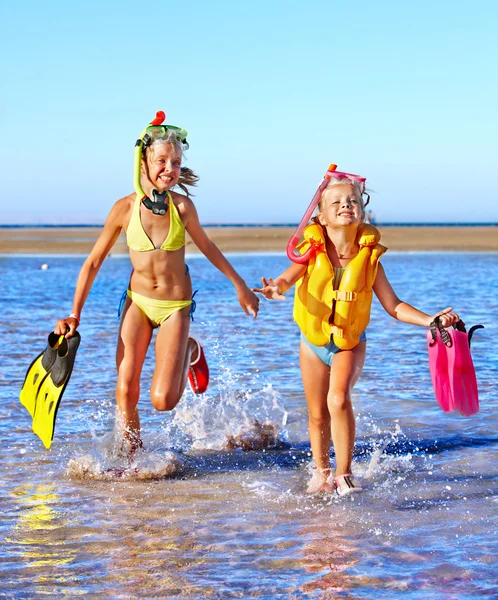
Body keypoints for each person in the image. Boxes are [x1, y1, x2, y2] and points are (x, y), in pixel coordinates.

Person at [54, 114, 260, 453]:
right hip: (138, 303)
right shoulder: (124, 208)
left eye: (176, 162)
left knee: (163, 400)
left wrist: (240, 286)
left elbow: (208, 247)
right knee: (126, 388)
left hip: (174, 307)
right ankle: (132, 460)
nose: (170, 167)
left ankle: (190, 351)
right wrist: (75, 314)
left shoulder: (182, 207)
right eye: (161, 160)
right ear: (143, 162)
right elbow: (93, 262)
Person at [253, 171, 458, 496]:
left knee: (338, 399)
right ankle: (321, 473)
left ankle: (345, 473)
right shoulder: (311, 252)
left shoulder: (370, 259)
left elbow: (393, 306)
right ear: (321, 215)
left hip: (349, 343)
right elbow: (285, 280)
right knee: (318, 412)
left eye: (352, 201)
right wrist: (274, 288)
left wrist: (429, 320)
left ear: (361, 211)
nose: (345, 205)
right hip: (312, 343)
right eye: (336, 201)